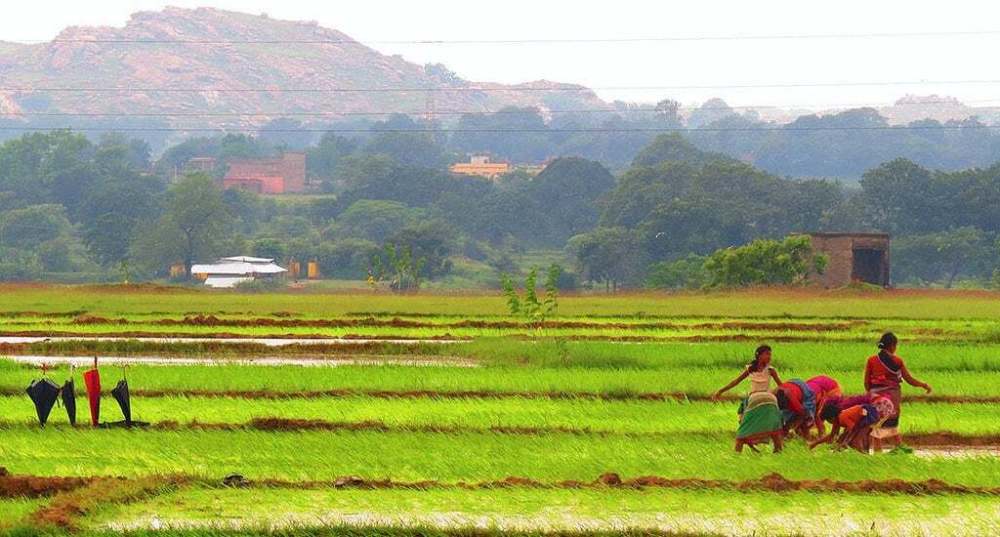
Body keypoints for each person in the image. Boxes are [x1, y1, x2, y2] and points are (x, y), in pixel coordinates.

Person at [864, 332, 932, 430]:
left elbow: (866, 382)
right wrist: (924, 385)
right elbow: (909, 379)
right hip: (892, 397)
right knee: (891, 423)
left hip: (875, 396)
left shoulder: (871, 360)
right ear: (892, 346)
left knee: (876, 422)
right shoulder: (897, 361)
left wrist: (870, 394)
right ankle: (894, 443)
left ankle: (878, 443)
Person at [713, 345, 782, 400]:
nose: (769, 357)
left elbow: (781, 386)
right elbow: (736, 381)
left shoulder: (770, 370)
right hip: (756, 396)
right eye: (767, 354)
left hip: (763, 396)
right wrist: (721, 391)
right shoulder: (750, 369)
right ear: (759, 356)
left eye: (770, 355)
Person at [808, 401, 881, 452]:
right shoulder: (837, 421)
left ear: (832, 418)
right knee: (850, 441)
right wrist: (815, 443)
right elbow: (832, 436)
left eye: (828, 420)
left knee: (856, 443)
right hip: (862, 419)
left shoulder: (842, 417)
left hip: (868, 415)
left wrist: (843, 442)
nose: (829, 423)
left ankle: (868, 454)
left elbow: (850, 429)